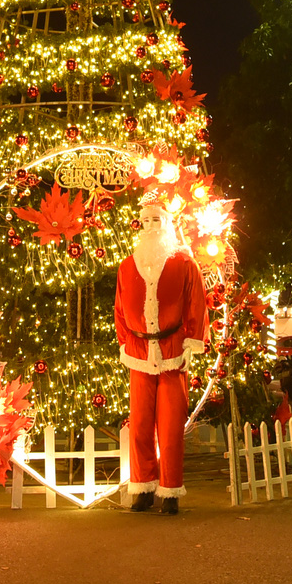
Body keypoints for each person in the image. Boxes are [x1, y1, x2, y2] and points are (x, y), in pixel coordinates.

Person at [114, 202, 208, 515]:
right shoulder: (128, 265)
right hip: (139, 353)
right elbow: (119, 310)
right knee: (140, 425)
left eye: (158, 219)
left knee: (170, 428)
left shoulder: (184, 263)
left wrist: (191, 344)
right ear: (139, 225)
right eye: (147, 220)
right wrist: (125, 342)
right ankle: (142, 487)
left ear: (167, 223)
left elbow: (196, 304)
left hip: (172, 353)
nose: (152, 224)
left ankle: (170, 492)